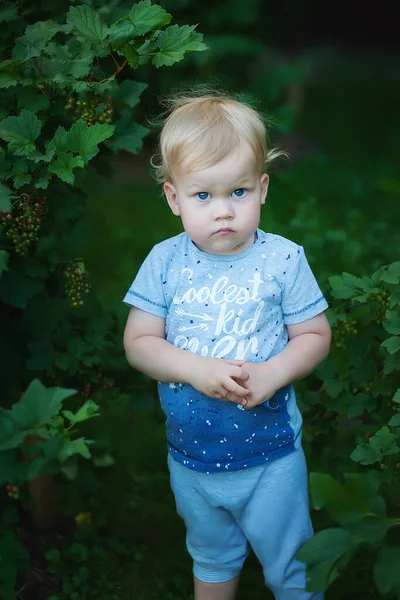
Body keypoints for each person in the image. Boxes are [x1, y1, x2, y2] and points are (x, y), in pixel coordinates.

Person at [122, 91, 331, 600]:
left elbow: (315, 335)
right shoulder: (164, 263)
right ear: (174, 198)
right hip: (192, 455)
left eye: (238, 192)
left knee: (291, 561)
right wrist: (193, 368)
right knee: (211, 556)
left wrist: (271, 374)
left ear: (262, 189)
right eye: (203, 196)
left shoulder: (282, 260)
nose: (223, 212)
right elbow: (139, 341)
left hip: (270, 456)